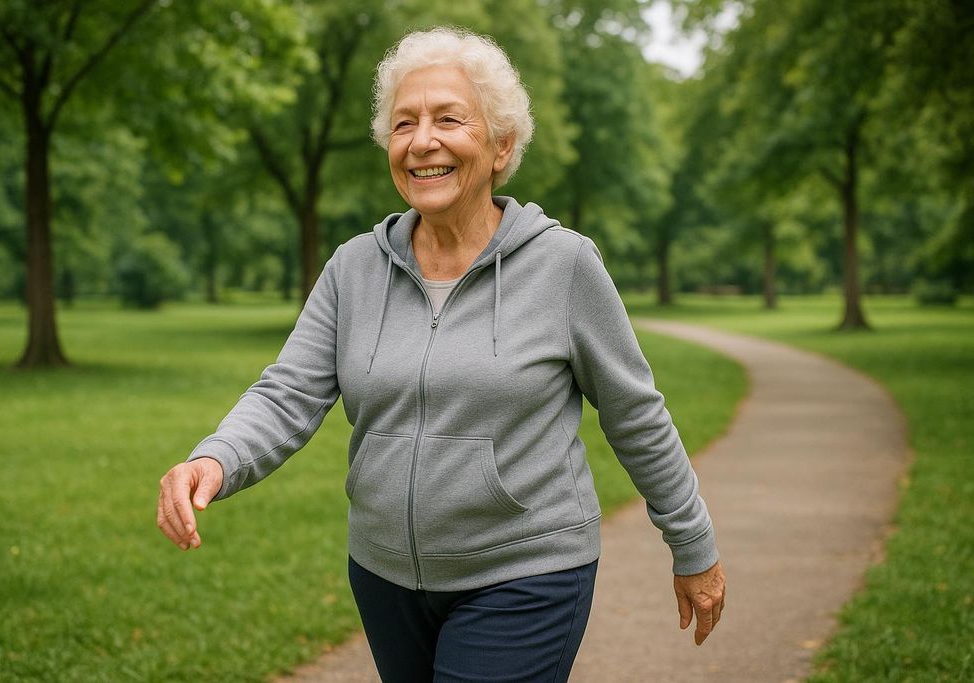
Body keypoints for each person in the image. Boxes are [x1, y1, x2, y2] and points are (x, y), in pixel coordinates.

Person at [157, 26, 726, 682]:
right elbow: (288, 390)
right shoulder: (354, 268)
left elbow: (636, 414)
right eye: (404, 123)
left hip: (526, 570)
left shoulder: (563, 265)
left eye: (448, 119)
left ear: (501, 144)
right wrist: (215, 457)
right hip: (384, 575)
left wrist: (694, 544)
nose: (421, 140)